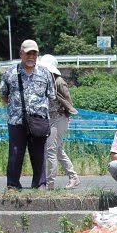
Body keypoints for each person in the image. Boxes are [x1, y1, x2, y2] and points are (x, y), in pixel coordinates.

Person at [0, 39, 55, 190]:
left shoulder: (45, 73)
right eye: (28, 53)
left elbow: (51, 95)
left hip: (39, 120)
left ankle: (40, 184)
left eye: (34, 53)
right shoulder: (10, 73)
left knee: (39, 154)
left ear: (38, 55)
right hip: (16, 120)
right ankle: (13, 185)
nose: (31, 56)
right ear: (21, 54)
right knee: (16, 153)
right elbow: (4, 95)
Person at [39, 54, 80, 190]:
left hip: (59, 119)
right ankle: (73, 177)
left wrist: (68, 113)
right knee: (57, 150)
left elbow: (68, 101)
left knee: (51, 150)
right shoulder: (44, 81)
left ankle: (49, 184)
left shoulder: (59, 81)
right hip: (50, 119)